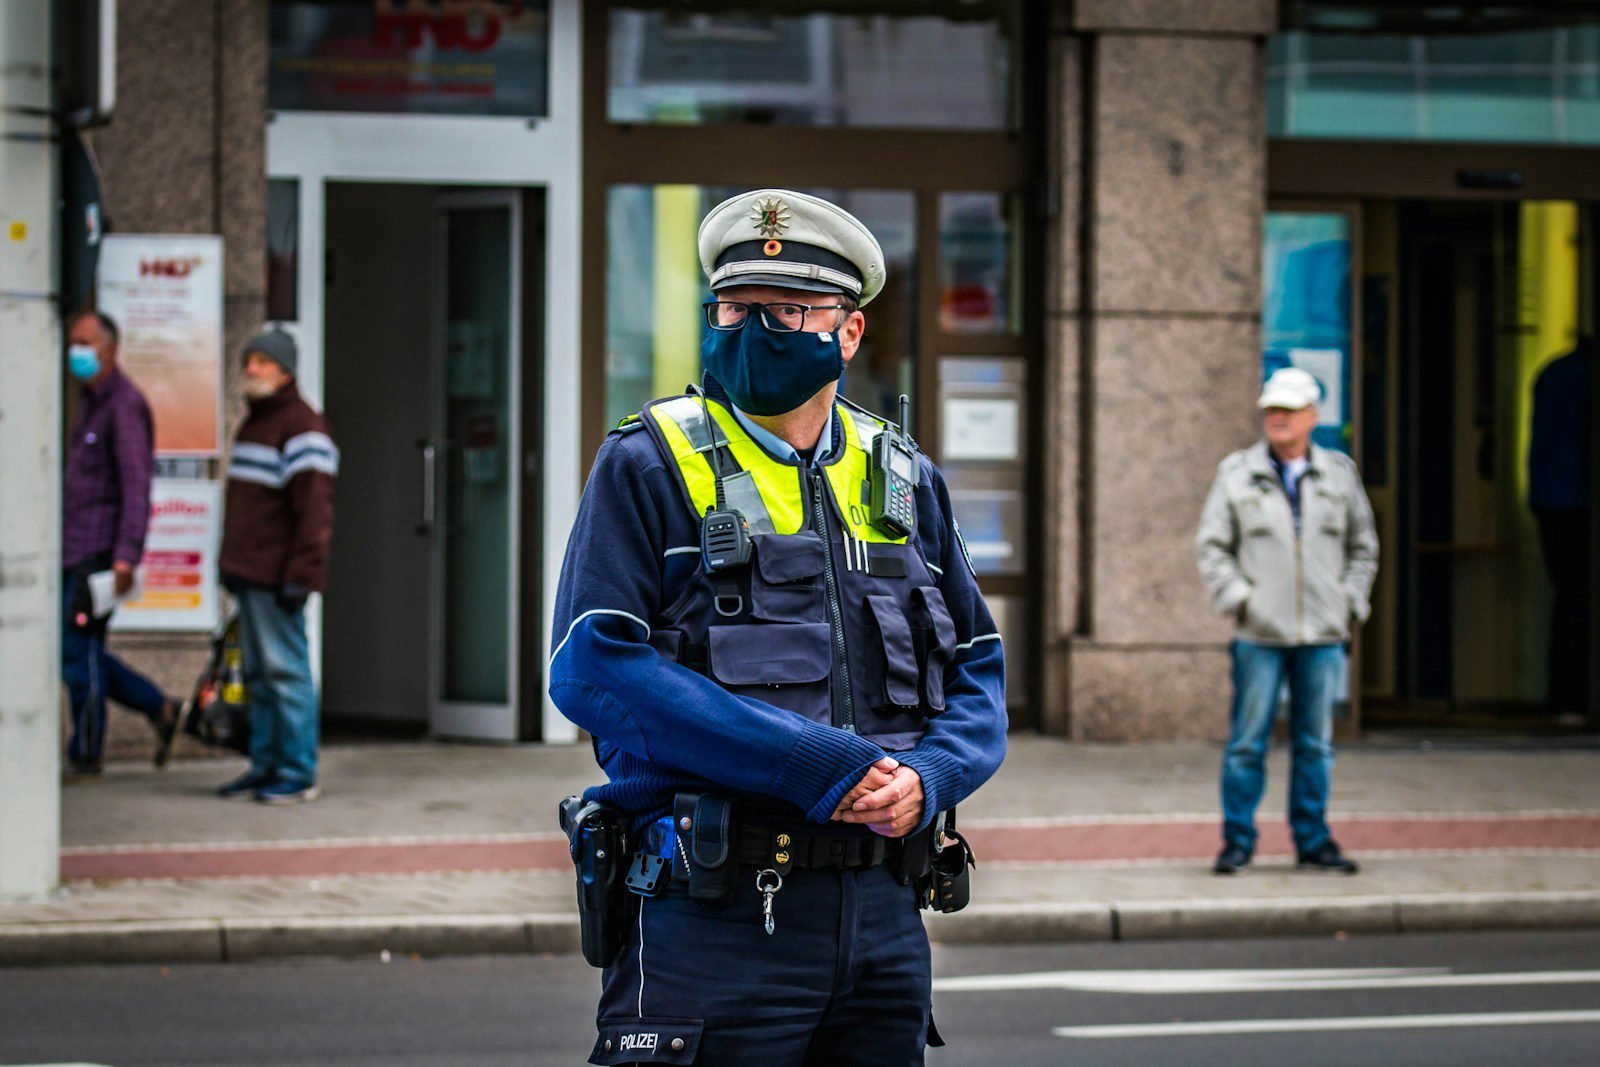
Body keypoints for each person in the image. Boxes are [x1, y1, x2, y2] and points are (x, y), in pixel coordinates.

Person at [550, 189, 1008, 1064]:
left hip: (881, 919)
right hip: (711, 912)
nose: (755, 329)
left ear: (849, 331)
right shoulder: (647, 461)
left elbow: (979, 665)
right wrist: (810, 763)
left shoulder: (901, 474)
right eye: (735, 307)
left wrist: (933, 775)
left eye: (788, 309)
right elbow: (593, 668)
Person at [1196, 367, 1378, 876]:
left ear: (1312, 417)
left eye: (1288, 410)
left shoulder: (1339, 473)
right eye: (1271, 409)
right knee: (1247, 744)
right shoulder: (1236, 472)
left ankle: (1313, 841)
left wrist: (1350, 602)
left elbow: (1364, 546)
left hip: (1322, 634)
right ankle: (1237, 842)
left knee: (1315, 745)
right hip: (1260, 634)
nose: (1276, 418)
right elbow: (1213, 547)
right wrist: (1241, 600)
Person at [216, 329, 338, 804]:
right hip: (250, 574)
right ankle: (265, 766)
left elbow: (315, 513)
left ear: (286, 370)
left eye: (262, 363)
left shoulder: (302, 427)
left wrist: (302, 575)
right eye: (248, 361)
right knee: (260, 677)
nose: (251, 370)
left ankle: (296, 771)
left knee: (285, 673)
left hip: (277, 576)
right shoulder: (258, 421)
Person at [61, 310, 182, 778]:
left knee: (79, 653)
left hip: (98, 554)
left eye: (83, 342)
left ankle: (87, 751)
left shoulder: (124, 405)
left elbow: (137, 486)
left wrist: (127, 554)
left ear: (109, 349)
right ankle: (159, 707)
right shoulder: (90, 401)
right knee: (79, 651)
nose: (76, 351)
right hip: (75, 549)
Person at [1528, 338, 1593, 722]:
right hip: (1575, 501)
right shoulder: (1579, 376)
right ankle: (1572, 698)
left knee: (1568, 598)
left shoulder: (1553, 371)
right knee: (1578, 600)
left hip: (1551, 499)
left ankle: (1564, 697)